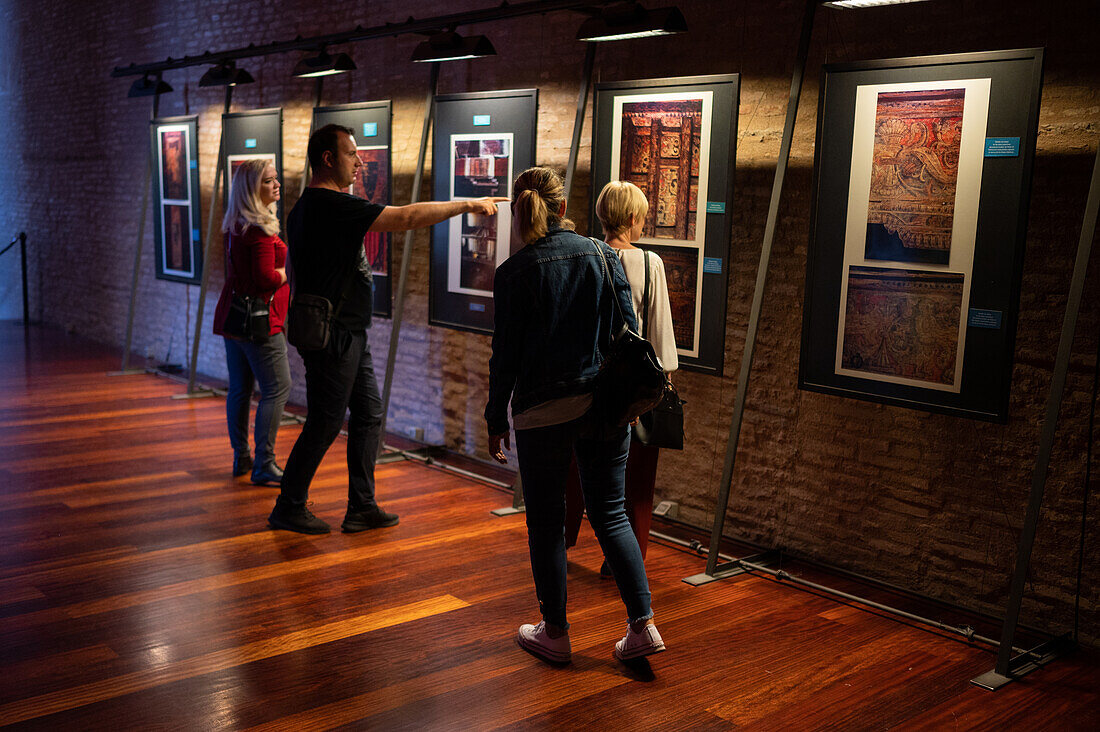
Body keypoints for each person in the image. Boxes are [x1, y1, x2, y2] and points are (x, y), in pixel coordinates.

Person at [268, 124, 505, 535]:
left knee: (369, 413)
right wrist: (466, 203)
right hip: (335, 335)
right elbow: (407, 217)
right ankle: (289, 504)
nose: (359, 163)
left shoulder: (307, 206)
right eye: (351, 155)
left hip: (347, 332)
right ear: (328, 159)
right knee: (325, 421)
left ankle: (362, 505)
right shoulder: (329, 204)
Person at [486, 167, 666, 664]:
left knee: (546, 523)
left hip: (542, 411)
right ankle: (642, 624)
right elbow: (628, 335)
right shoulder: (604, 256)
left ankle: (556, 633)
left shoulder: (513, 273)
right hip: (603, 405)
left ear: (522, 213)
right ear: (563, 208)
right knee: (610, 511)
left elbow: (506, 356)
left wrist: (494, 416)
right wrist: (627, 403)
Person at [564, 181, 678, 574]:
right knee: (634, 481)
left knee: (579, 466)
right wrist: (663, 383)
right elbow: (659, 333)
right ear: (633, 218)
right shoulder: (650, 263)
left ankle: (565, 539)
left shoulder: (583, 255)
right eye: (643, 217)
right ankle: (622, 561)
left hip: (586, 379)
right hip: (632, 386)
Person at [212, 158, 291, 486]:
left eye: (276, 180)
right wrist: (287, 274)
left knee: (240, 389)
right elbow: (264, 277)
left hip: (234, 317)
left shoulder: (236, 224)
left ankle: (242, 456)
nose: (277, 186)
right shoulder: (258, 229)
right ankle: (265, 464)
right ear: (251, 188)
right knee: (278, 387)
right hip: (260, 320)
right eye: (269, 181)